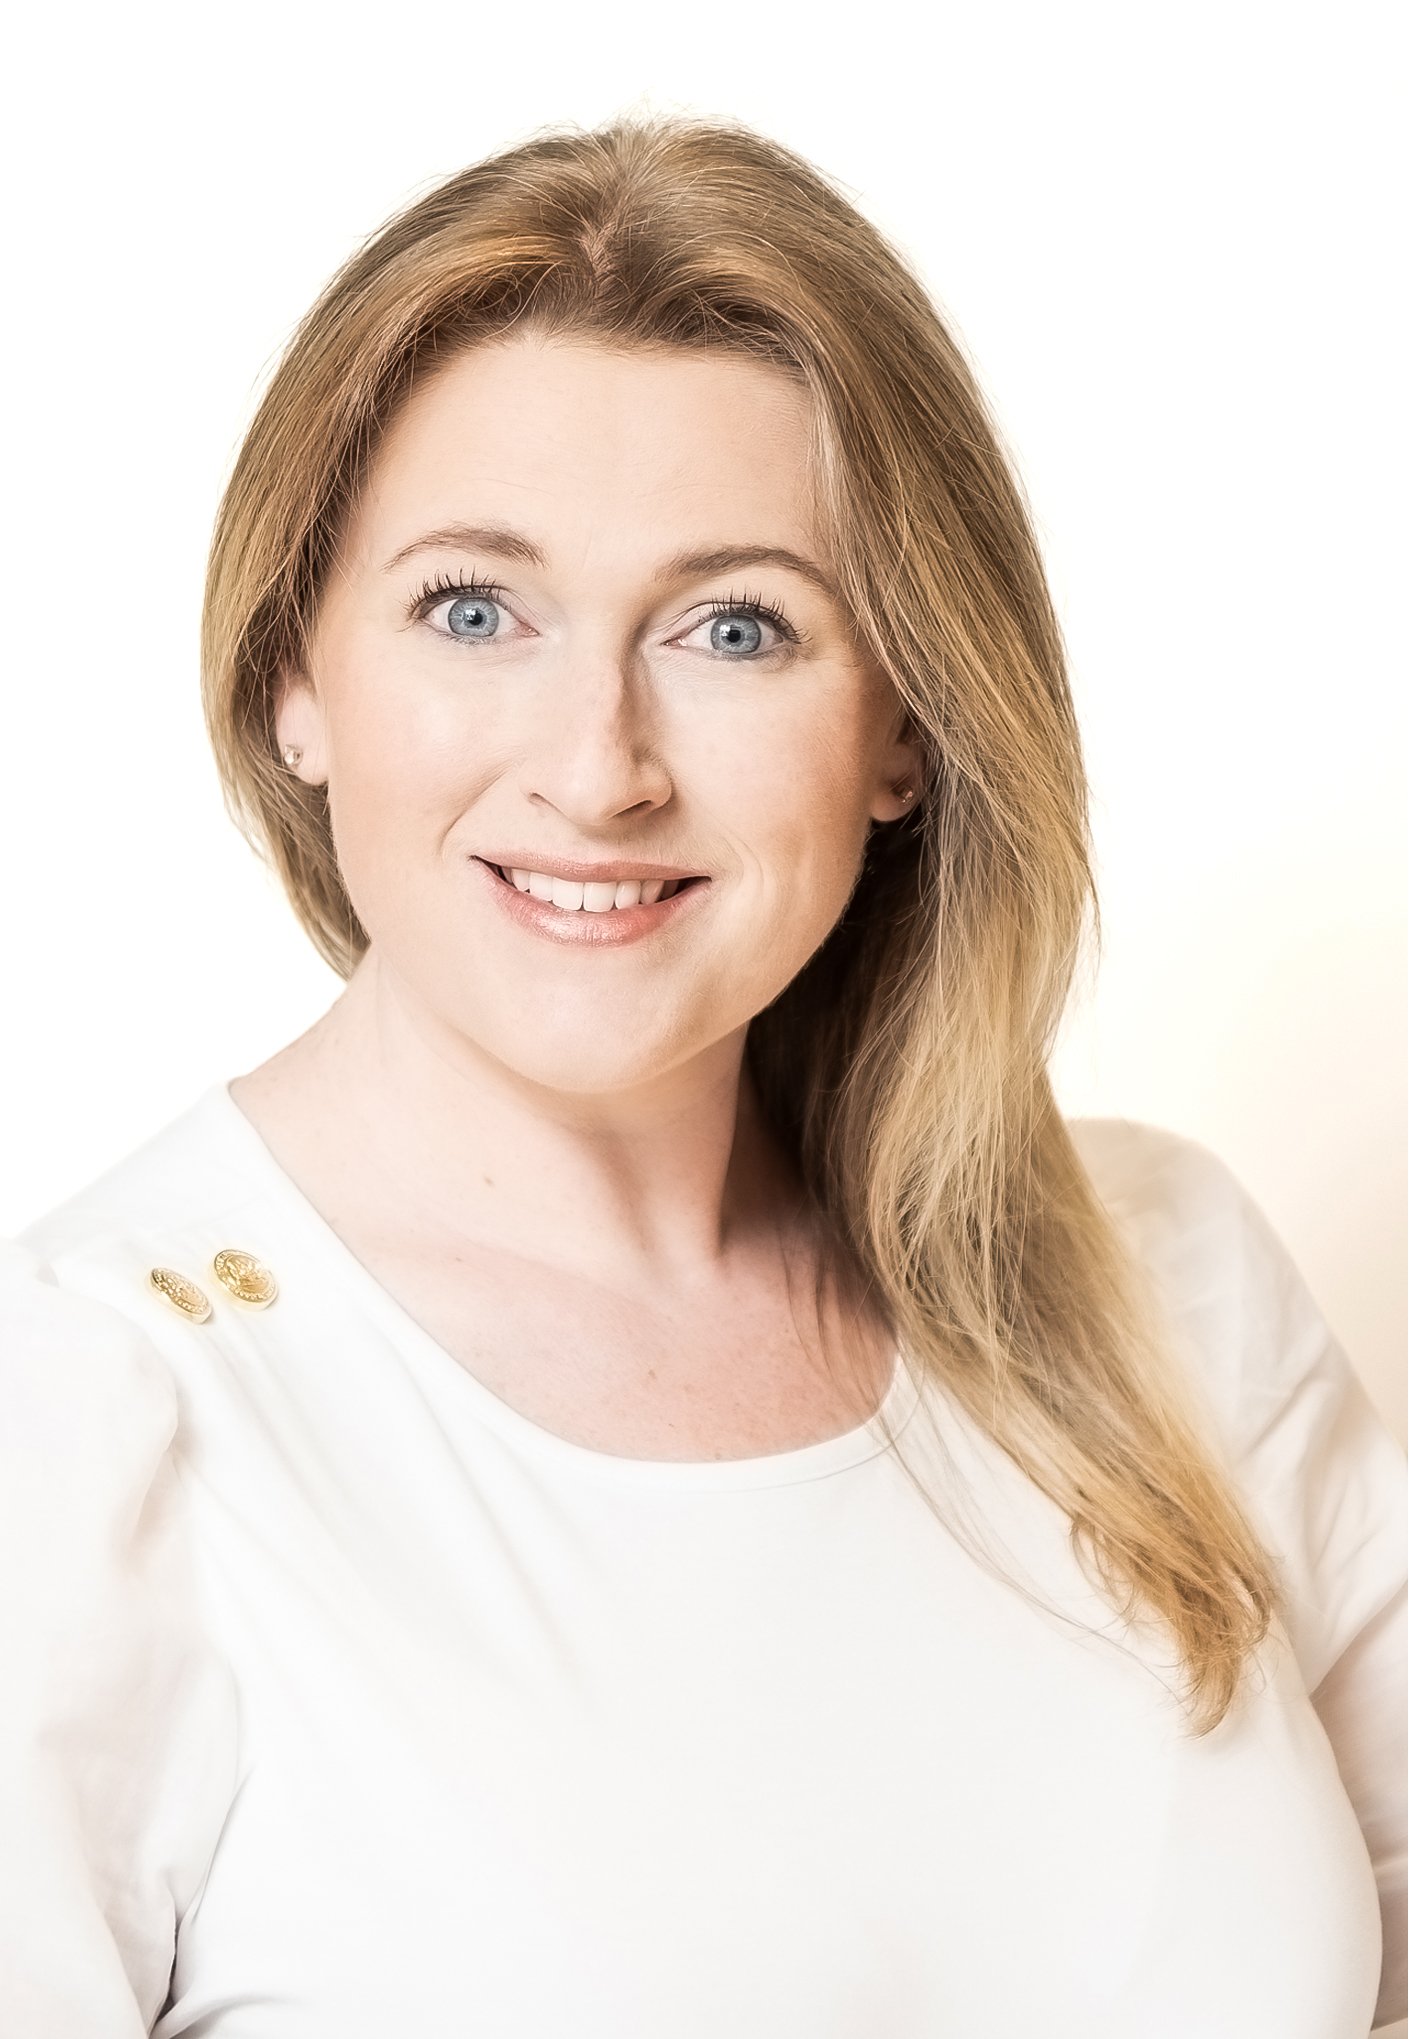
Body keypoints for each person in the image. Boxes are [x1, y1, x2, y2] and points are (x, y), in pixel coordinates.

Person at [1, 113, 1405, 2038]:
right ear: (291, 680)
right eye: (473, 609)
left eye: (734, 626)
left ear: (904, 723)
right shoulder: (81, 1425)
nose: (599, 765)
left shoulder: (1160, 1286)